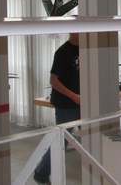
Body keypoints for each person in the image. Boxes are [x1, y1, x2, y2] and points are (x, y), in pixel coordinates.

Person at [34, 33, 81, 184]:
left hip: (82, 103)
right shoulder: (62, 52)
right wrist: (74, 96)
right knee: (61, 141)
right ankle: (41, 174)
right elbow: (53, 81)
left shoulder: (86, 49)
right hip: (66, 104)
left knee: (93, 137)